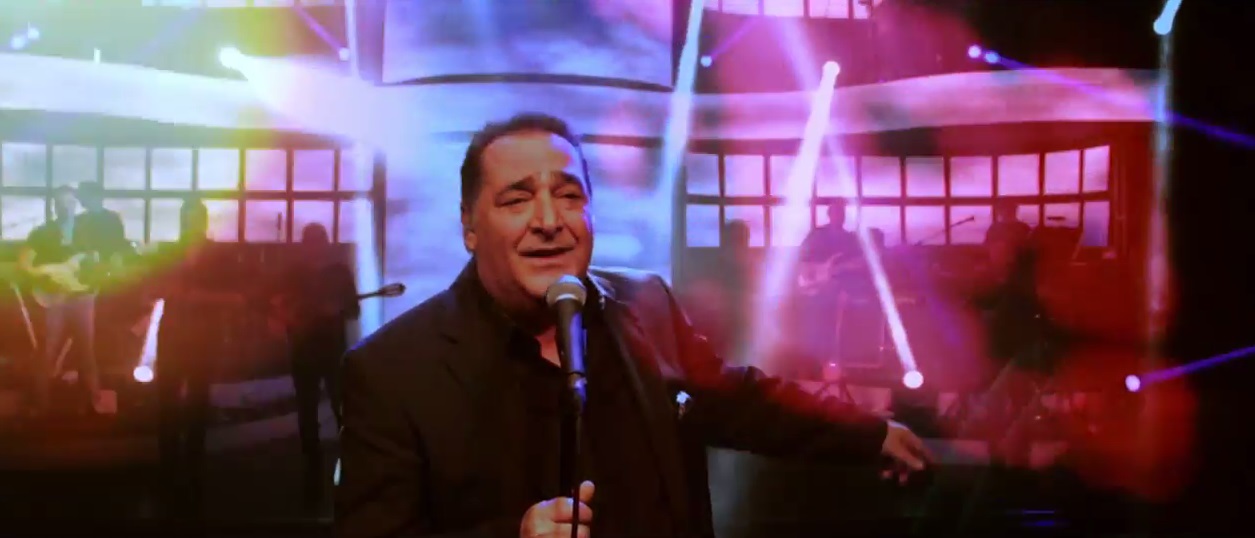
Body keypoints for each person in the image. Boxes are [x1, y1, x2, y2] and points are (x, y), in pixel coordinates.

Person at [335, 113, 931, 538]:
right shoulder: (391, 373)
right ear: (469, 226)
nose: (549, 220)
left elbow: (740, 401)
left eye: (569, 196)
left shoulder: (645, 306)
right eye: (516, 200)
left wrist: (867, 432)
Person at [151, 197, 240, 517]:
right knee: (167, 401)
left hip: (202, 337)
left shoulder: (219, 255)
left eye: (193, 219)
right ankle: (170, 468)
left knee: (197, 402)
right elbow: (154, 288)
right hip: (174, 334)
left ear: (201, 221)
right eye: (186, 219)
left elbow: (235, 296)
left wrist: (198, 297)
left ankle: (190, 468)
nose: (189, 224)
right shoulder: (169, 252)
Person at [16, 184, 125, 416]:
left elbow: (103, 259)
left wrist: (106, 267)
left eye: (70, 203)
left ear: (76, 204)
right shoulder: (42, 232)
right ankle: (40, 405)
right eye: (61, 203)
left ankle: (94, 402)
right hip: (54, 298)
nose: (66, 207)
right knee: (48, 351)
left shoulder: (89, 232)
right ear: (54, 206)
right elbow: (24, 264)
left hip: (83, 297)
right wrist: (47, 273)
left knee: (87, 351)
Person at [276, 223, 360, 510]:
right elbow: (282, 308)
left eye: (317, 242)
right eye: (310, 243)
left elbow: (353, 310)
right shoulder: (294, 275)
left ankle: (348, 468)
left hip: (332, 352)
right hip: (304, 353)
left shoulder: (338, 274)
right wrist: (298, 313)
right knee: (308, 414)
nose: (314, 248)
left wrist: (337, 308)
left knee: (341, 411)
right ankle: (313, 472)